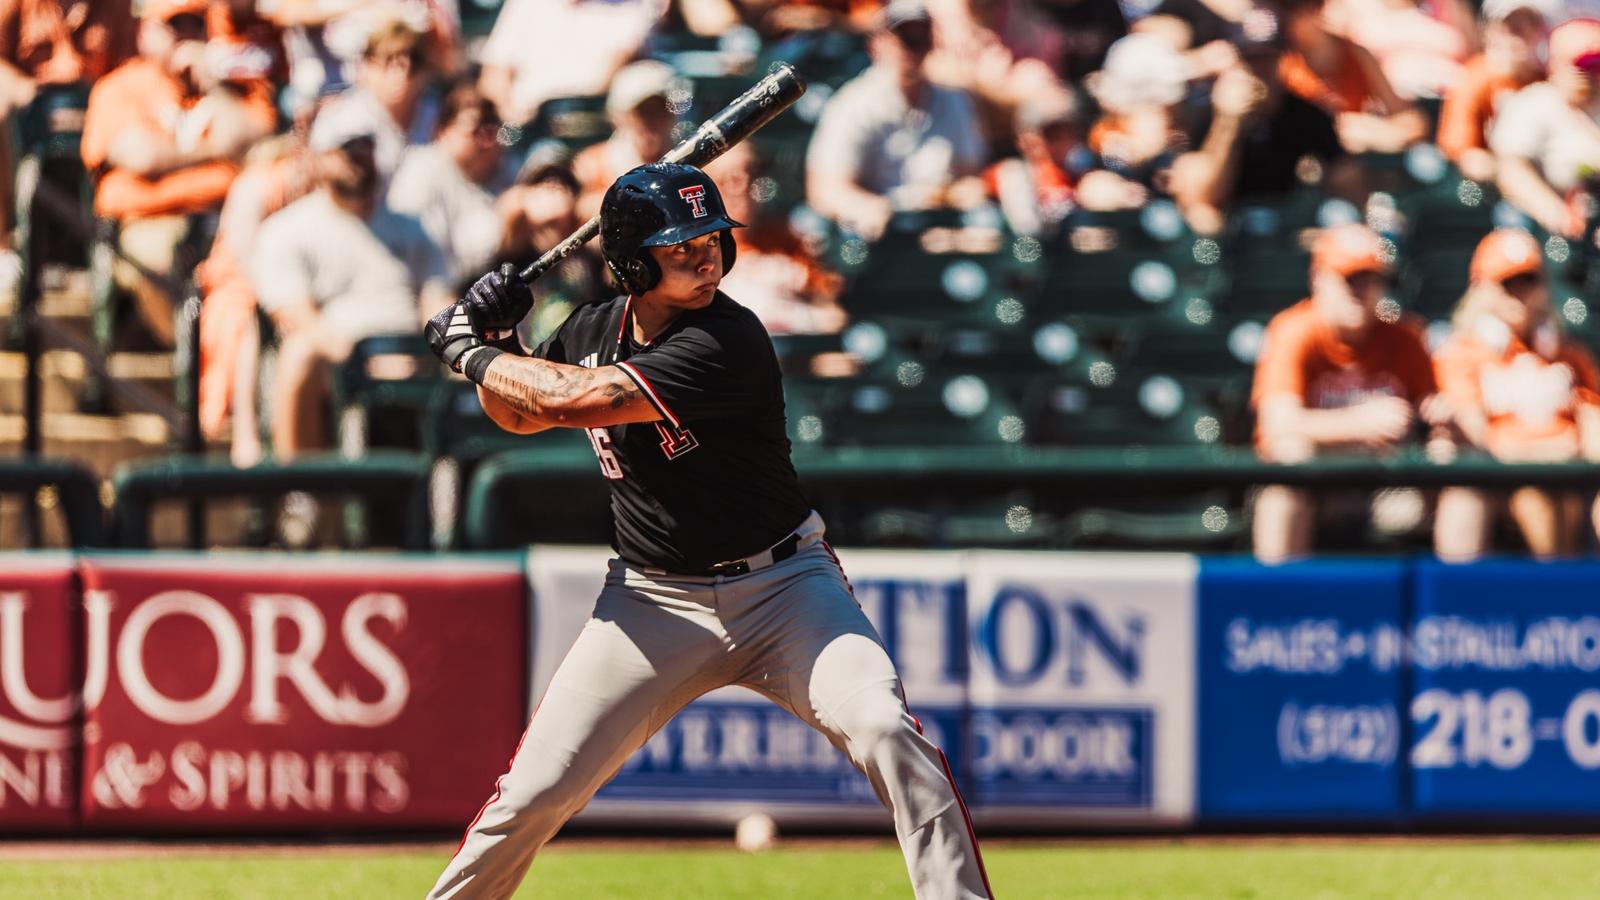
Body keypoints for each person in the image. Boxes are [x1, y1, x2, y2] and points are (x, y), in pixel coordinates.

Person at [422, 162, 992, 899]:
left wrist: (473, 351)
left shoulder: (729, 339)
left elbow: (576, 400)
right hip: (652, 602)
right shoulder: (593, 326)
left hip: (786, 589)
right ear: (632, 259)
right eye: (680, 243)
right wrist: (502, 344)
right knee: (531, 794)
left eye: (712, 238)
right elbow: (521, 412)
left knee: (888, 731)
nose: (705, 254)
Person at [249, 113, 452, 461]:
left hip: (412, 355)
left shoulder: (414, 227)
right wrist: (366, 361)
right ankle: (303, 495)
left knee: (474, 352)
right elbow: (296, 318)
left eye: (365, 148)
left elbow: (437, 301)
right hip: (337, 361)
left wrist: (455, 349)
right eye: (345, 150)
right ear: (317, 159)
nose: (357, 158)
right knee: (299, 354)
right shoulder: (286, 230)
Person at [80, 0, 275, 347]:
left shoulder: (232, 86)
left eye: (196, 25)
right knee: (156, 257)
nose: (187, 36)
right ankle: (188, 364)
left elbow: (256, 137)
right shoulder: (120, 86)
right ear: (144, 32)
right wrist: (216, 151)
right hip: (152, 219)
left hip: (225, 219)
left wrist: (214, 84)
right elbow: (142, 157)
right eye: (174, 26)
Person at [1250, 223, 1443, 563]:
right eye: (1350, 279)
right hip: (1318, 483)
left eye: (1371, 279)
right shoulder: (1294, 331)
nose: (1361, 291)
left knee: (1451, 461)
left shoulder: (1407, 336)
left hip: (1385, 484)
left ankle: (1456, 607)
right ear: (1318, 280)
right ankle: (1278, 601)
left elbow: (1434, 408)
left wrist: (1443, 419)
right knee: (1288, 462)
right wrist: (1358, 423)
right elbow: (1277, 424)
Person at [1433, 229, 1600, 560]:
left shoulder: (1569, 356)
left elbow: (1594, 425)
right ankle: (1554, 595)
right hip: (1505, 479)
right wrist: (1542, 454)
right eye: (1507, 284)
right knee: (1533, 494)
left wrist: (1578, 457)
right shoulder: (1462, 354)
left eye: (1528, 281)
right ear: (1481, 288)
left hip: (1571, 475)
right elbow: (1475, 433)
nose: (1519, 294)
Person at [805, 0, 987, 240]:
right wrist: (869, 207)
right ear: (876, 44)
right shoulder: (853, 105)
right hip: (878, 234)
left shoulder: (955, 101)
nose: (911, 49)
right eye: (903, 38)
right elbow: (824, 190)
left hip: (937, 226)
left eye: (920, 39)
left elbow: (969, 173)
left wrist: (963, 192)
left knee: (985, 219)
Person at [387, 80, 514, 286]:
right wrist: (503, 226)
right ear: (443, 132)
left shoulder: (507, 170)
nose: (486, 142)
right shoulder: (421, 168)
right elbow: (427, 259)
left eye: (492, 131)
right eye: (476, 131)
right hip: (427, 291)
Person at [1491, 18, 1600, 240]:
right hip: (1552, 235)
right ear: (1556, 62)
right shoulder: (1535, 103)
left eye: (1595, 64)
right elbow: (1511, 171)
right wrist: (1559, 216)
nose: (1588, 74)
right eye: (1581, 64)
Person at [477, 0, 665, 125]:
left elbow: (605, 78)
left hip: (590, 121)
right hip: (524, 125)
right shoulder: (526, 4)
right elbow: (494, 72)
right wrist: (509, 115)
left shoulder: (632, 5)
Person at [310, 16, 438, 193]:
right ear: (367, 67)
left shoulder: (438, 117)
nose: (400, 73)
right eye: (388, 62)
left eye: (412, 63)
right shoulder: (339, 121)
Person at [1436, 0, 1552, 183]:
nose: (1517, 33)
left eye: (1528, 23)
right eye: (1508, 24)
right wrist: (1516, 172)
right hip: (1487, 190)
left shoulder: (1549, 81)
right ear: (1488, 31)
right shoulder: (1475, 78)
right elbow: (1465, 155)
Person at [573, 59, 682, 220]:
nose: (651, 122)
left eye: (660, 110)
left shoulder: (692, 166)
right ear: (618, 116)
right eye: (641, 112)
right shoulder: (590, 167)